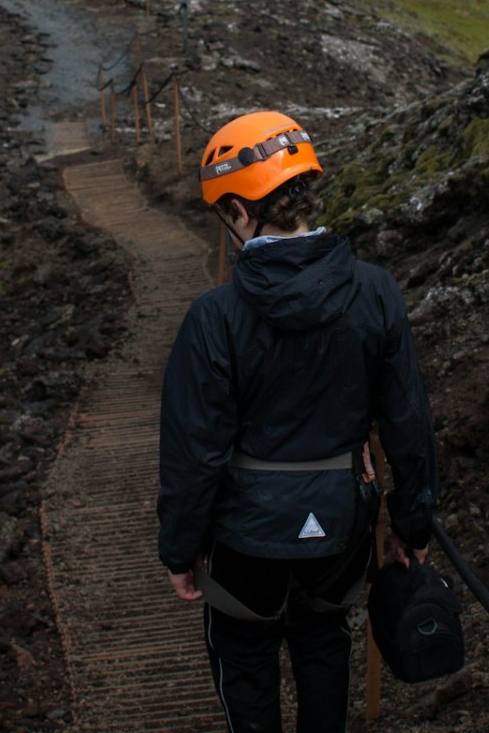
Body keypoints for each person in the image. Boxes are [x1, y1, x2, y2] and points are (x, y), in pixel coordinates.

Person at [158, 110, 438, 733]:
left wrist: (179, 547)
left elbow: (194, 452)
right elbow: (407, 422)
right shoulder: (375, 292)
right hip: (339, 526)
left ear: (237, 209)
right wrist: (413, 523)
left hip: (244, 539)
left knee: (246, 662)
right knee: (323, 643)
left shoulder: (214, 318)